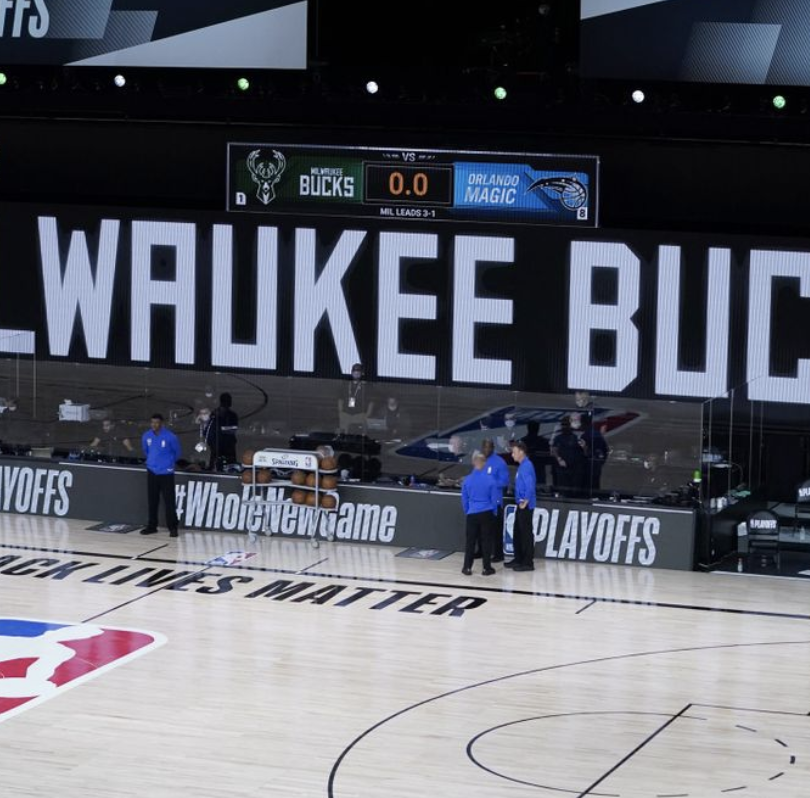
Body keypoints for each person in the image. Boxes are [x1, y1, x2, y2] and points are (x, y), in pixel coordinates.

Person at [141, 413, 181, 537]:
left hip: (166, 473)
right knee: (152, 500)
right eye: (152, 422)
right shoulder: (146, 436)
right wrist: (152, 463)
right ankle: (152, 526)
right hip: (152, 471)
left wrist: (168, 463)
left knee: (169, 501)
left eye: (157, 422)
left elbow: (177, 453)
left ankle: (173, 527)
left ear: (161, 423)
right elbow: (146, 451)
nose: (154, 425)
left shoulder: (170, 437)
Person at [460, 450, 499, 576]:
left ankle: (467, 567)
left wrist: (468, 511)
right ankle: (486, 568)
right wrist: (494, 512)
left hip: (472, 513)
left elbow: (464, 499)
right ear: (484, 463)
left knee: (470, 541)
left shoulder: (467, 480)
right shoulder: (491, 480)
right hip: (487, 512)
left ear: (473, 462)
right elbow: (494, 499)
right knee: (486, 541)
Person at [506, 440, 537, 572]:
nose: (512, 455)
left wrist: (526, 501)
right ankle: (518, 558)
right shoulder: (522, 466)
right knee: (517, 532)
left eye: (514, 452)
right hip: (521, 504)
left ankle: (528, 562)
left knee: (525, 533)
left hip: (525, 505)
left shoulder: (527, 466)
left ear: (521, 452)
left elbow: (530, 485)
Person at [481, 437, 510, 562]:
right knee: (481, 528)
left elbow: (505, 481)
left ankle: (498, 554)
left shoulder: (500, 462)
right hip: (481, 502)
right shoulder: (480, 460)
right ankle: (481, 551)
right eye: (484, 447)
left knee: (496, 530)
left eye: (488, 447)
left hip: (494, 503)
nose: (486, 449)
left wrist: (490, 483)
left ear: (493, 448)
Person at [551, 415, 586, 497]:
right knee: (563, 490)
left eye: (566, 424)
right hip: (562, 469)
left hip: (574, 469)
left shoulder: (576, 438)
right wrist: (559, 459)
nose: (564, 427)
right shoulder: (558, 438)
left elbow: (584, 453)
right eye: (563, 425)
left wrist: (584, 447)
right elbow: (554, 450)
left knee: (574, 491)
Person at [203, 392, 239, 471]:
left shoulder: (231, 415)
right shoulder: (214, 415)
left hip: (227, 446)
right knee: (215, 464)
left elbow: (233, 430)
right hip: (218, 445)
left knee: (229, 465)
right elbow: (208, 430)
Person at [338, 362, 374, 433]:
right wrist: (340, 411)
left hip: (360, 414)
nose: (356, 373)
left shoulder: (366, 385)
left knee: (359, 433)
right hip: (346, 413)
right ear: (352, 372)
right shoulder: (346, 384)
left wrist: (368, 414)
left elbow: (371, 401)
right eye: (354, 371)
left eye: (358, 372)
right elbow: (340, 398)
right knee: (344, 433)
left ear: (361, 373)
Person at [579, 415, 609, 495]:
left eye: (581, 423)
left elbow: (582, 451)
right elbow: (605, 450)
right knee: (595, 484)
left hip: (588, 464)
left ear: (584, 423)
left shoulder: (585, 436)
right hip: (596, 463)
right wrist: (601, 462)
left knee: (587, 486)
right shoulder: (598, 434)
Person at [520, 419, 551, 486]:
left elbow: (548, 455)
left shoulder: (543, 441)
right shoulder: (523, 441)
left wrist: (535, 453)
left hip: (539, 470)